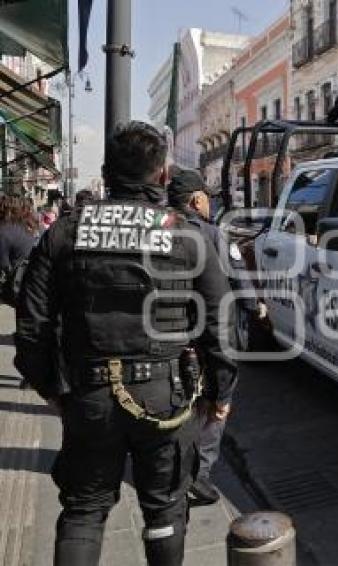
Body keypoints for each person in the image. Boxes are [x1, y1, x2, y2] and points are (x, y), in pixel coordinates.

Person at [14, 122, 237, 565]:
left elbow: (31, 324)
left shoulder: (63, 232)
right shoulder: (187, 234)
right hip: (167, 397)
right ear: (162, 175)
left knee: (84, 510)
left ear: (106, 172)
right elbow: (220, 322)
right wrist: (220, 393)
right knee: (165, 508)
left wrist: (50, 389)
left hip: (89, 392)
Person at [167, 166, 251, 505]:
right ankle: (197, 478)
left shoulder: (161, 231)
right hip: (209, 334)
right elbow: (239, 278)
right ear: (195, 199)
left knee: (185, 404)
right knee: (217, 407)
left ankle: (177, 467)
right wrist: (256, 308)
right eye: (206, 199)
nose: (209, 205)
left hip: (171, 335)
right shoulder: (214, 235)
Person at [0, 195, 38, 275]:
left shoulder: (4, 232)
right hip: (32, 274)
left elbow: (4, 265)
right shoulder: (25, 227)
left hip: (17, 279)